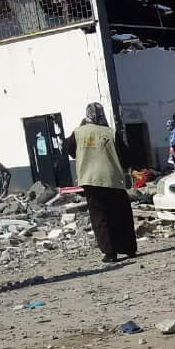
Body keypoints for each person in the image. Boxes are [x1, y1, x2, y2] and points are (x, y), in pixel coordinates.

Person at [65, 103, 137, 264]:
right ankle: (129, 249)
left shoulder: (78, 133)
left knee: (100, 217)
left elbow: (69, 150)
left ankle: (110, 253)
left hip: (90, 180)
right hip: (113, 180)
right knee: (121, 215)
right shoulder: (110, 132)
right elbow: (126, 157)